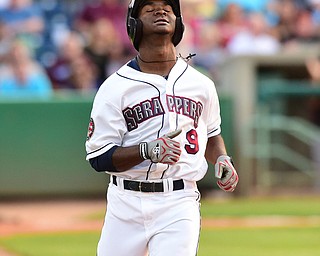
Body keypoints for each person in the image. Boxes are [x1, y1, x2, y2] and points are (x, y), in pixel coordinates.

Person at [85, 0, 239, 255]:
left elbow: (211, 134)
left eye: (168, 8)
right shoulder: (114, 88)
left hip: (179, 201)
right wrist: (146, 151)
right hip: (125, 204)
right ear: (133, 24)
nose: (161, 11)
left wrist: (221, 158)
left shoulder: (201, 84)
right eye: (150, 8)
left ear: (178, 23)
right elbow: (98, 157)